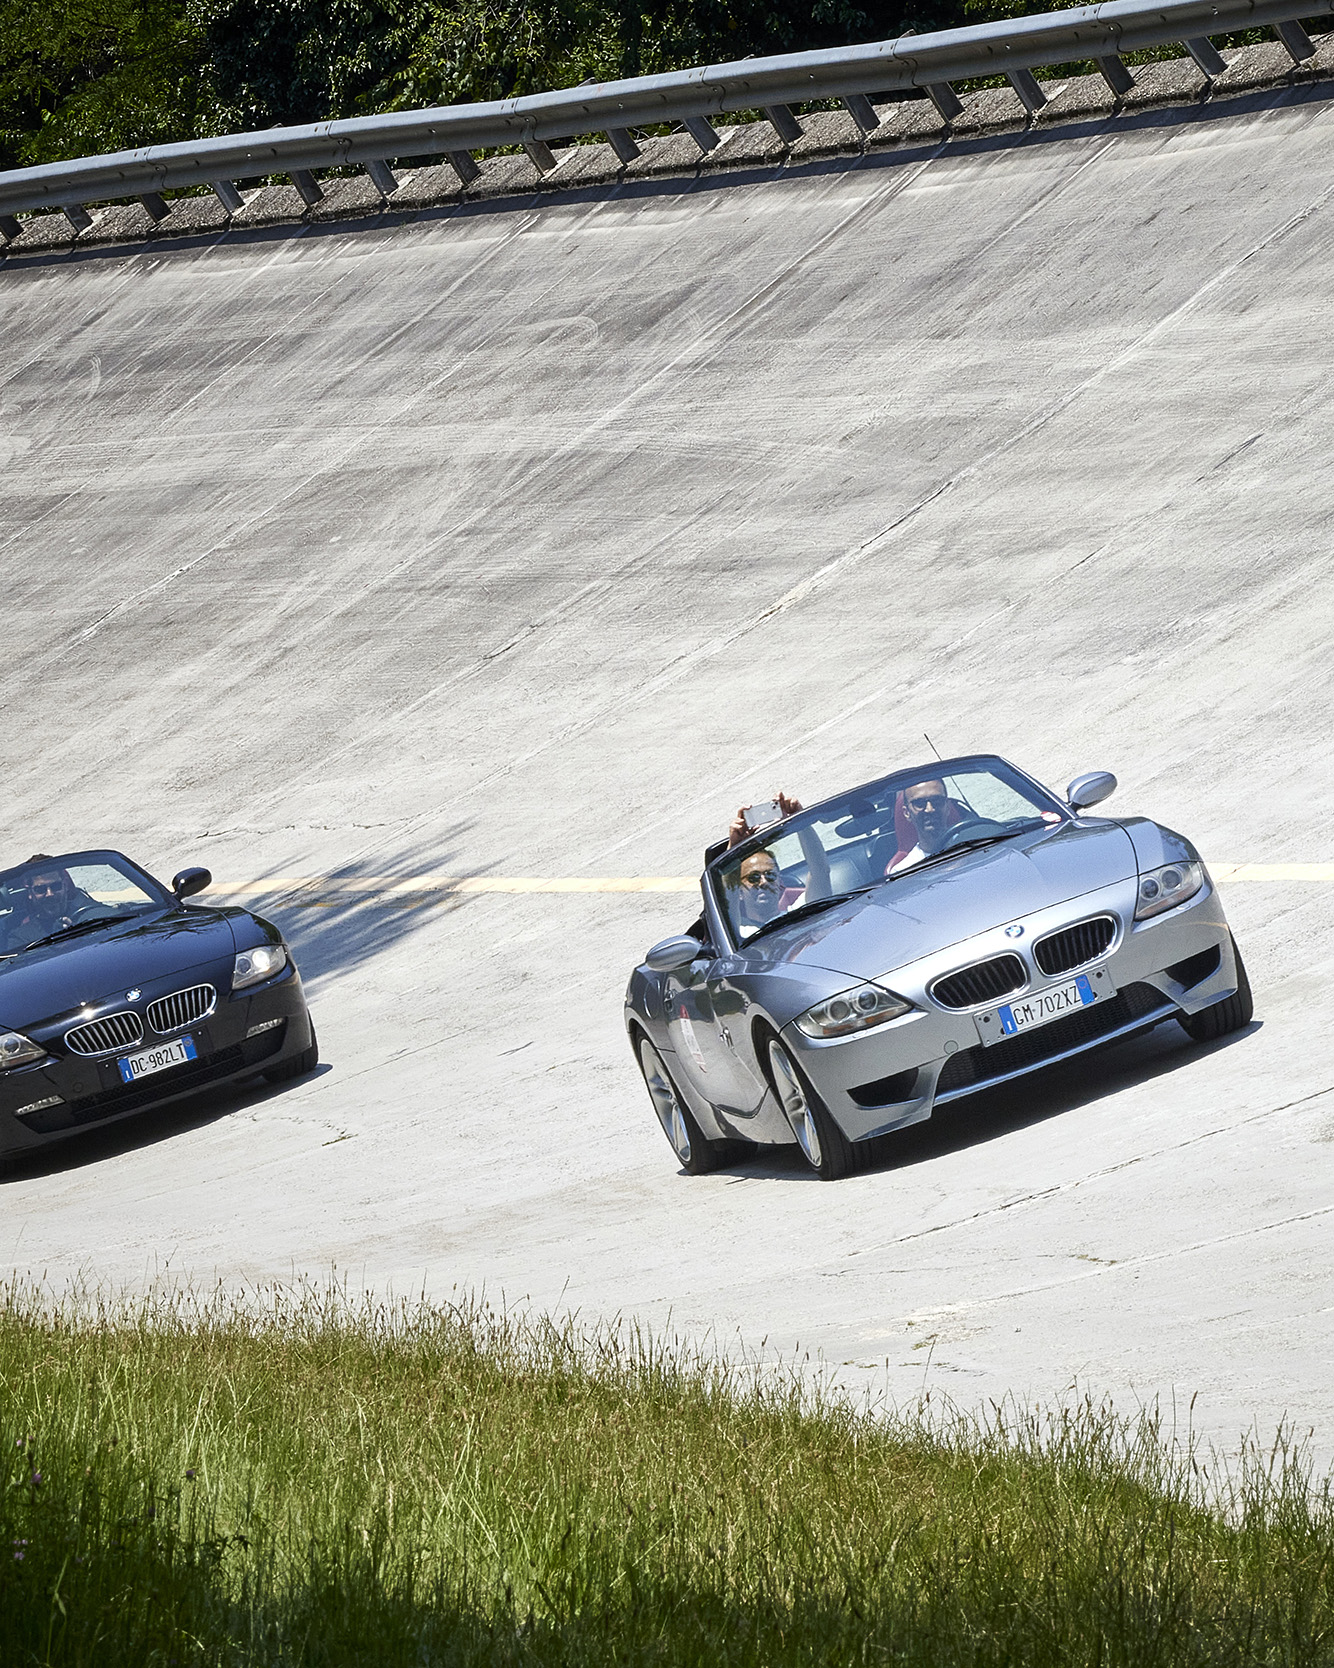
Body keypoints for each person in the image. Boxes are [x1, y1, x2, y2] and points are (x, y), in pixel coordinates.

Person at [727, 794, 833, 936]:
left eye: (770, 875)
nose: (764, 882)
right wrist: (733, 849)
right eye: (753, 877)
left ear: (780, 882)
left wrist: (800, 822)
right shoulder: (737, 934)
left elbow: (820, 870)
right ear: (739, 892)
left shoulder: (800, 913)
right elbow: (725, 902)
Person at [887, 779, 952, 873]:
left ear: (948, 806)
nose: (930, 809)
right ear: (906, 813)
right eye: (919, 803)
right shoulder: (903, 872)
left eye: (937, 800)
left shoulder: (976, 845)